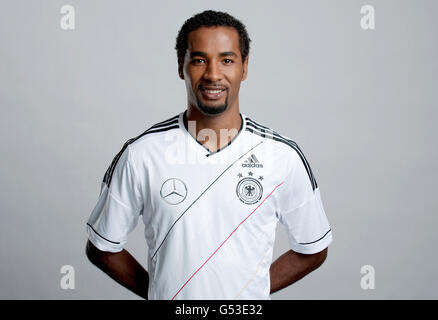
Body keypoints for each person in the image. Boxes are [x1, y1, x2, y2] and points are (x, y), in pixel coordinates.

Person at [85, 10, 333, 300]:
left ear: (245, 67)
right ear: (181, 66)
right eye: (199, 60)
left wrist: (250, 293)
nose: (213, 74)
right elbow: (101, 247)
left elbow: (314, 249)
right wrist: (161, 293)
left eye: (227, 60)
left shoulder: (282, 156)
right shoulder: (141, 154)